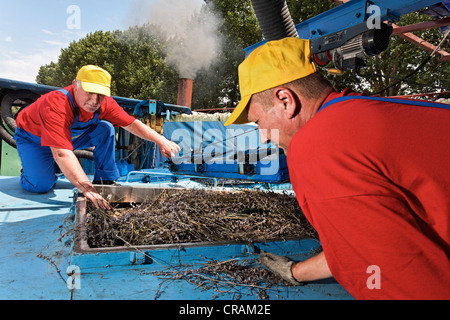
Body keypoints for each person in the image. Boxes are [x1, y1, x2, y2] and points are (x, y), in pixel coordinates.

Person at [224, 37, 450, 299]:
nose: (263, 136)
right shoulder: (361, 112)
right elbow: (363, 244)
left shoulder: (318, 146)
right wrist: (295, 271)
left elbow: (398, 274)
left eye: (257, 120)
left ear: (285, 101)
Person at [14, 65, 180, 210]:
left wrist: (161, 141)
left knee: (105, 128)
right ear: (75, 86)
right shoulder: (56, 103)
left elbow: (131, 124)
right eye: (90, 92)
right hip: (33, 140)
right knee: (41, 185)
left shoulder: (105, 103)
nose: (94, 101)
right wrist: (87, 189)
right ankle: (29, 171)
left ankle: (105, 181)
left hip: (67, 140)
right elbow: (61, 153)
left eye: (100, 95)